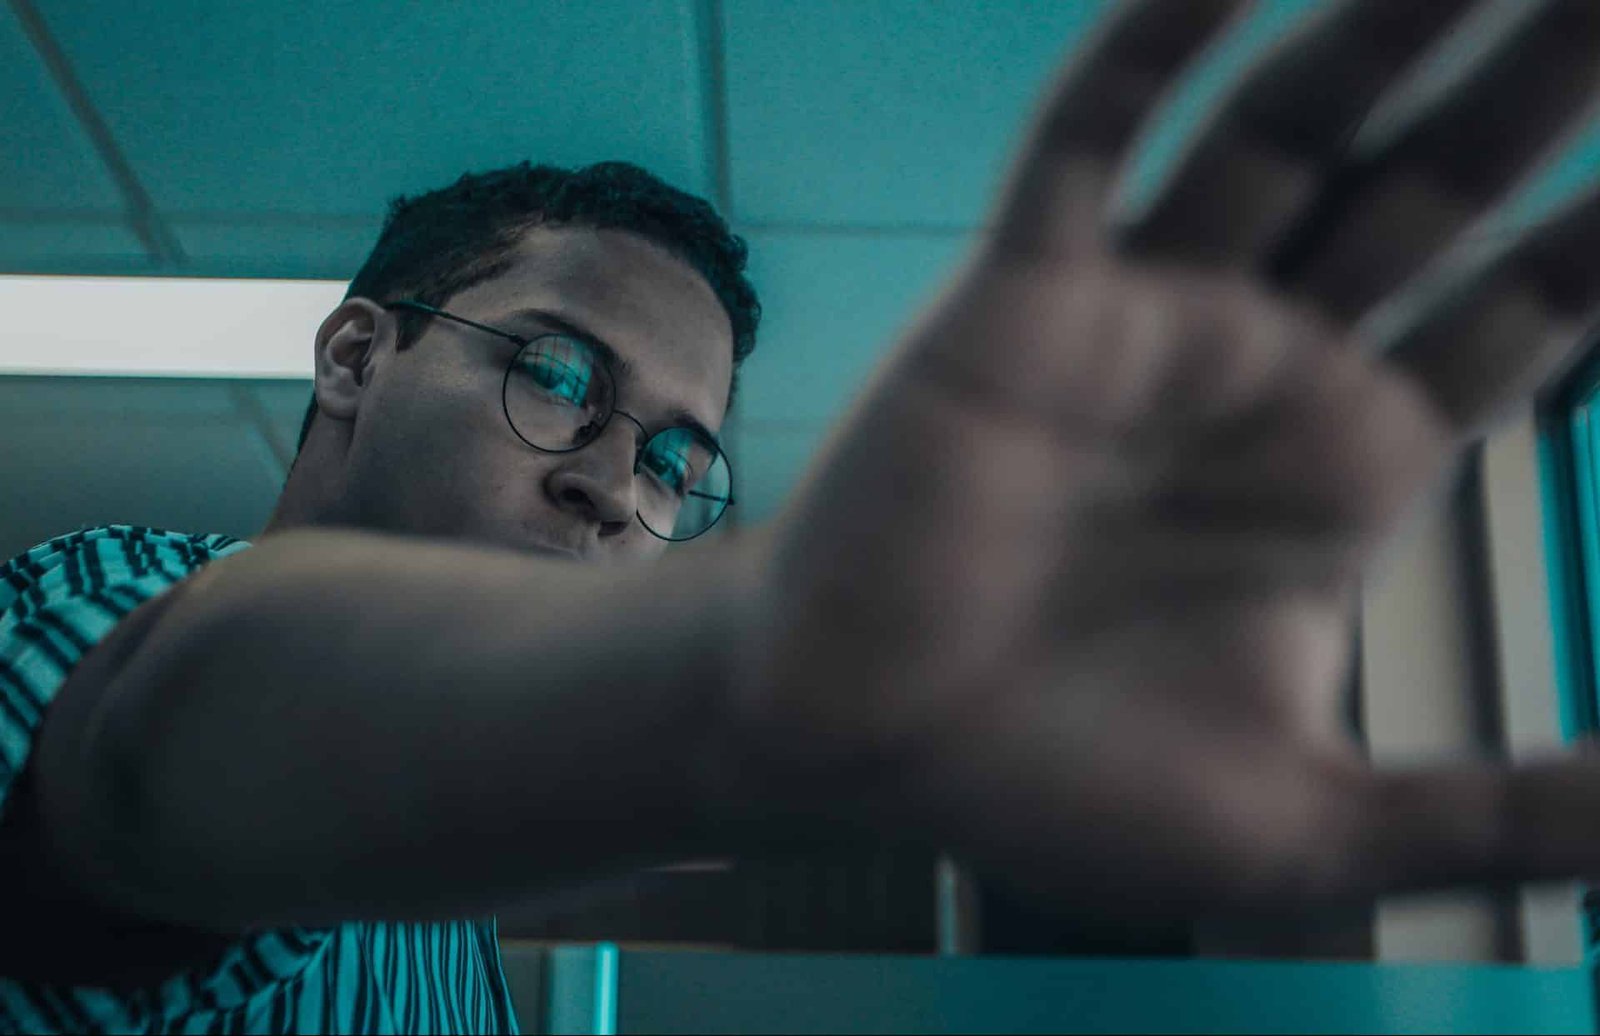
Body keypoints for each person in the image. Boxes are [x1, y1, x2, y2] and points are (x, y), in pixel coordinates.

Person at [6, 0, 1600, 1031]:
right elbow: (147, 761)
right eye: (555, 373)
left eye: (674, 461)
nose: (611, 488)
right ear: (359, 355)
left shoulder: (452, 923)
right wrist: (737, 685)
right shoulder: (91, 607)